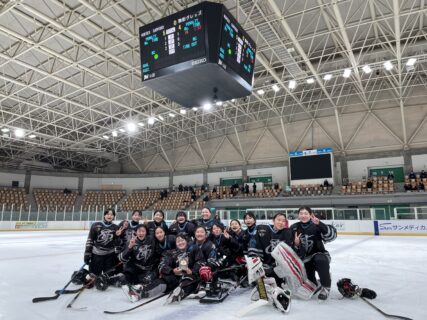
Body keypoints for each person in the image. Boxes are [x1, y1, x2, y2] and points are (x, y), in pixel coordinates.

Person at [290, 206, 337, 300]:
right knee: (311, 285)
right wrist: (296, 244)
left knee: (320, 259)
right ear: (298, 215)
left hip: (319, 256)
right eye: (301, 213)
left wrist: (320, 224)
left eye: (306, 213)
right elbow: (290, 248)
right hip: (304, 260)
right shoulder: (294, 227)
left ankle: (326, 287)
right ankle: (317, 282)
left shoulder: (316, 225)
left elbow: (331, 237)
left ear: (310, 215)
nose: (303, 215)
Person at [248, 212, 292, 280]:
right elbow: (253, 243)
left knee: (279, 287)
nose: (281, 222)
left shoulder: (287, 232)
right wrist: (256, 263)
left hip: (278, 268)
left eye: (283, 221)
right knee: (262, 287)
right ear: (273, 221)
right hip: (262, 266)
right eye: (279, 220)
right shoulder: (262, 229)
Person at [84, 208, 123, 276]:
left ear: (114, 216)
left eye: (111, 214)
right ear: (104, 215)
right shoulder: (95, 225)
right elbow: (90, 240)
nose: (109, 216)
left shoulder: (116, 227)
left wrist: (117, 236)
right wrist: (87, 253)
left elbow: (118, 244)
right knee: (94, 276)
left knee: (108, 276)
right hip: (96, 255)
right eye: (108, 214)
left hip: (109, 256)